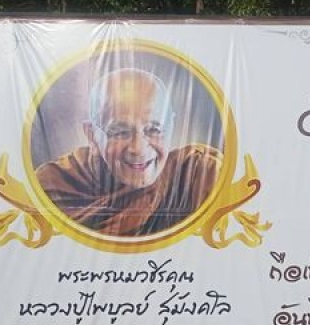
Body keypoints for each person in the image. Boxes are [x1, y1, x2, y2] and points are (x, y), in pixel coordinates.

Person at [36, 67, 221, 237]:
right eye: (120, 132)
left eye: (154, 129)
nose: (139, 149)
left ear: (171, 127)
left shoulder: (199, 176)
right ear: (92, 136)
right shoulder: (53, 185)